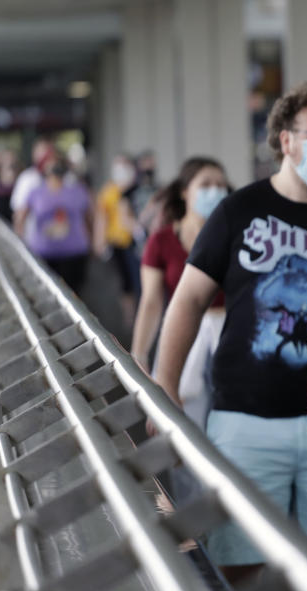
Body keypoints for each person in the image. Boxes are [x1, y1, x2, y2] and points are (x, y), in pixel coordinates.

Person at [155, 82, 307, 584]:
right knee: (237, 567)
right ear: (286, 140)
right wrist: (165, 386)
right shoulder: (239, 212)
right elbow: (189, 301)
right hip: (243, 418)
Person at [131, 157, 229, 430]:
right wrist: (139, 355)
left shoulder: (236, 236)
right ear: (185, 191)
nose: (215, 190)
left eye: (221, 185)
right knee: (181, 424)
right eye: (206, 184)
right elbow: (151, 302)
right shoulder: (161, 241)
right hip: (182, 333)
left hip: (230, 334)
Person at [13, 153, 94, 294]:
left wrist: (92, 240)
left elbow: (90, 217)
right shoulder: (36, 192)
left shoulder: (78, 190)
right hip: (44, 253)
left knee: (74, 292)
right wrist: (21, 242)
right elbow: (21, 217)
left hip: (74, 253)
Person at [96, 154, 141, 332]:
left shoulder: (139, 189)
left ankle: (141, 312)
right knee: (125, 281)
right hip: (117, 241)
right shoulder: (109, 191)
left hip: (138, 242)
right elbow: (102, 217)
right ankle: (129, 316)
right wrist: (99, 240)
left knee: (140, 280)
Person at [10, 137, 55, 224]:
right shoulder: (27, 178)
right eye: (41, 151)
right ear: (34, 154)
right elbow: (19, 214)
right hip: (32, 235)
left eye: (47, 151)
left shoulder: (64, 178)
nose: (45, 155)